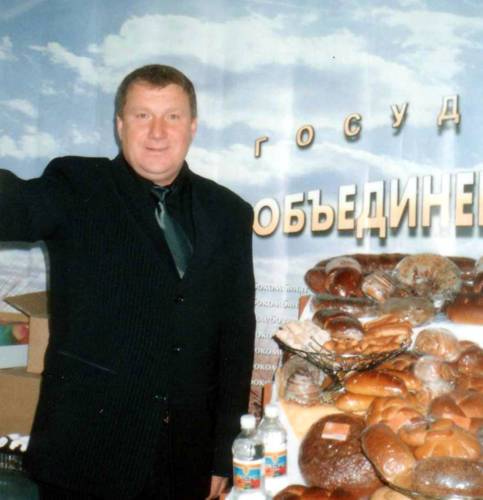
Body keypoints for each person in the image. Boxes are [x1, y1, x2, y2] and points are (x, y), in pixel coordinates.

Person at [0, 64, 256, 499]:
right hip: (85, 458)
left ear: (192, 126)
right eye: (142, 115)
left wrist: (223, 454)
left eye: (172, 116)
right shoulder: (77, 185)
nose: (157, 132)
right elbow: (12, 207)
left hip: (184, 463)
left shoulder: (228, 212)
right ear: (120, 125)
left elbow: (235, 338)